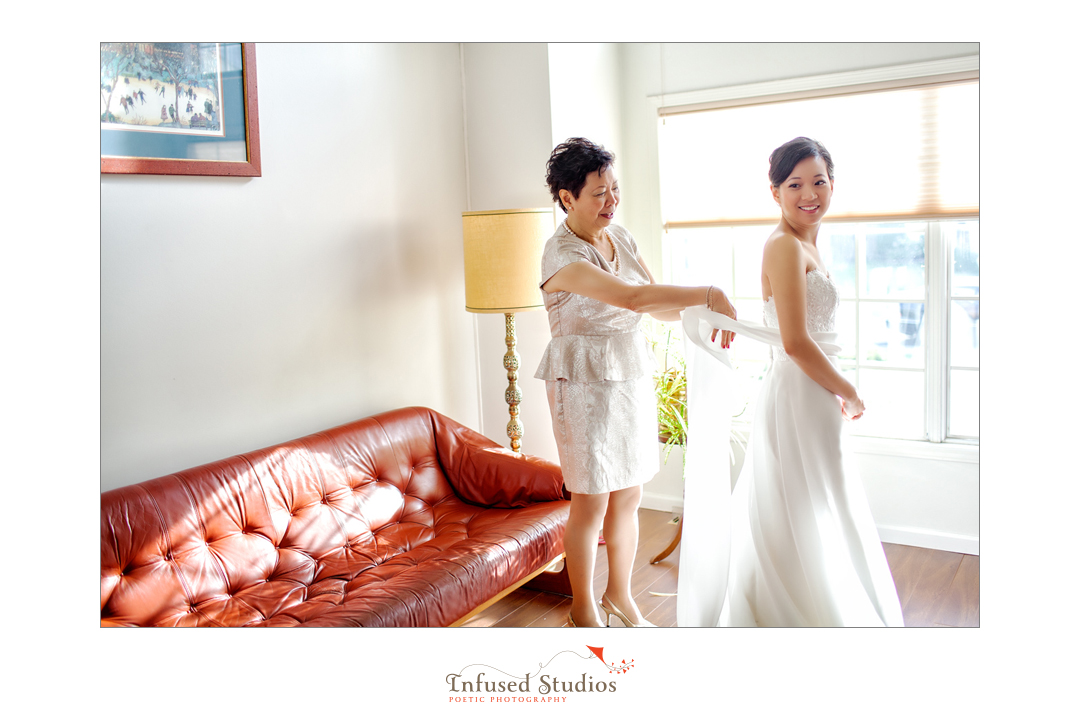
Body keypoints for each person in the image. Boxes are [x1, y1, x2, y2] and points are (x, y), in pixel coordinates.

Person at [692, 137, 904, 627]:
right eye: (795, 185)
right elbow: (794, 342)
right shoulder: (784, 246)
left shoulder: (807, 241)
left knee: (817, 506)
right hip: (800, 393)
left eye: (818, 182)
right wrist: (848, 391)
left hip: (812, 393)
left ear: (833, 185)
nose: (809, 194)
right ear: (775, 192)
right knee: (803, 508)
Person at [536, 137, 736, 628]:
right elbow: (632, 297)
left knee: (629, 495)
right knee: (590, 499)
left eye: (614, 189)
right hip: (581, 382)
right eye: (598, 193)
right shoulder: (560, 254)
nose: (611, 201)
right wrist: (707, 290)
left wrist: (699, 312)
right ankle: (582, 609)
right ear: (567, 198)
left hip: (628, 372)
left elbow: (657, 307)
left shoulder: (620, 237)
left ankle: (620, 597)